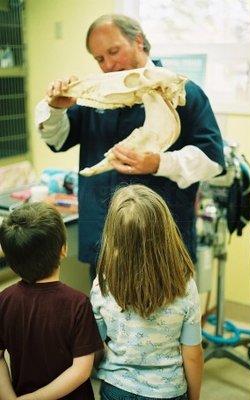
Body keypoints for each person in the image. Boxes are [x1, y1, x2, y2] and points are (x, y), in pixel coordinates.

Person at [35, 13, 225, 280]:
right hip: (104, 241)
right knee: (106, 318)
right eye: (99, 59)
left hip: (162, 247)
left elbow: (211, 159)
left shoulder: (183, 92)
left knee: (166, 319)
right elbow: (58, 139)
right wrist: (55, 109)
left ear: (138, 41)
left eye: (114, 52)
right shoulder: (96, 96)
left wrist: (159, 163)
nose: (109, 65)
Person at [90, 184, 204, 400]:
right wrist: (195, 396)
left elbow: (95, 346)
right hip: (169, 392)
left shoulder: (103, 284)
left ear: (113, 235)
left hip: (116, 389)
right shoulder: (184, 285)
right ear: (166, 231)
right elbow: (193, 356)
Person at [0, 202, 103, 400]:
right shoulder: (78, 304)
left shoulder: (5, 300)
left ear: (11, 263)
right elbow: (82, 370)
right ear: (63, 250)